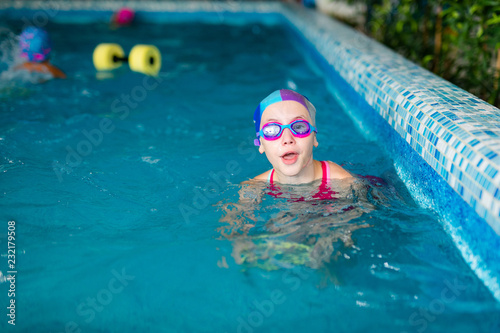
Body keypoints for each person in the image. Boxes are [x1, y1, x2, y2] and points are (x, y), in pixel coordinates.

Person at [252, 89, 352, 196]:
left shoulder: (342, 181)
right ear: (261, 143)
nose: (287, 139)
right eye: (272, 130)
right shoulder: (254, 187)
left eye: (299, 126)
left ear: (314, 137)